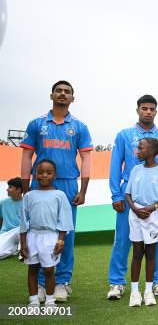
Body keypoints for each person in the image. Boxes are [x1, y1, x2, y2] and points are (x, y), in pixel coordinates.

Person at [21, 80, 93, 302]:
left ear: (73, 98)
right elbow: (26, 156)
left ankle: (62, 282)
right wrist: (26, 187)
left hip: (68, 184)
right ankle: (42, 284)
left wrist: (83, 190)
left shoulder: (79, 126)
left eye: (67, 92)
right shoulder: (36, 124)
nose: (63, 94)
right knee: (38, 233)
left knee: (65, 235)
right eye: (59, 91)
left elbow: (86, 157)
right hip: (38, 185)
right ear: (51, 95)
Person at [107, 95, 158, 300]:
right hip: (129, 199)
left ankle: (157, 282)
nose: (148, 111)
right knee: (123, 241)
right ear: (137, 110)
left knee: (155, 243)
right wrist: (116, 195)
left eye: (152, 109)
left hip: (156, 202)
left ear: (156, 111)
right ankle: (117, 283)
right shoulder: (124, 135)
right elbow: (115, 166)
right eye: (144, 108)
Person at [124, 138, 158, 307]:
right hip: (136, 215)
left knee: (151, 253)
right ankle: (134, 292)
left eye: (141, 148)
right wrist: (135, 209)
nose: (137, 151)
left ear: (153, 152)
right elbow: (128, 194)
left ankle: (148, 291)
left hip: (153, 215)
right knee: (137, 253)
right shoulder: (135, 170)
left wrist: (153, 207)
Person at [19, 159, 73, 308]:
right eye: (40, 172)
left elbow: (65, 219)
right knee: (33, 269)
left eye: (49, 173)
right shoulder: (29, 196)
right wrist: (23, 242)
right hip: (32, 236)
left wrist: (61, 240)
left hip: (50, 237)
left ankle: (50, 301)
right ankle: (34, 301)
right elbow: (24, 221)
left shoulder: (59, 195)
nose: (44, 175)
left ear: (55, 175)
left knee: (49, 270)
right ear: (35, 175)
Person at [0, 177, 23, 259]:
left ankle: (22, 252)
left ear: (18, 190)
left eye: (10, 187)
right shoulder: (2, 203)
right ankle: (14, 249)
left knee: (22, 227)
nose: (7, 189)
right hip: (7, 233)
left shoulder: (27, 203)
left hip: (22, 232)